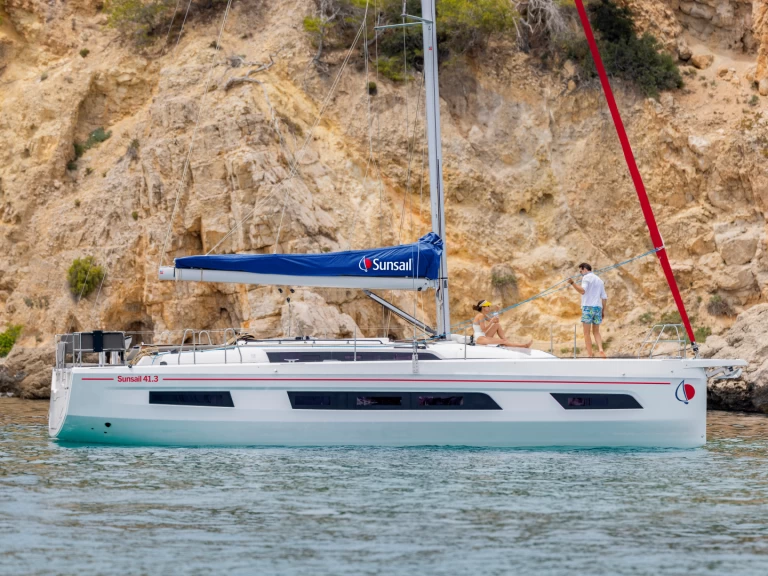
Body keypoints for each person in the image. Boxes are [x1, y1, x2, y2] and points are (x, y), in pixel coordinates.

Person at [568, 263, 608, 358]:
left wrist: (572, 283)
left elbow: (582, 291)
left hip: (588, 307)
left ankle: (590, 355)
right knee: (596, 332)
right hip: (598, 308)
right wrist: (602, 311)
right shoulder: (600, 280)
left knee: (586, 333)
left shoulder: (586, 278)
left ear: (585, 269)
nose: (581, 273)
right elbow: (604, 297)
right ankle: (600, 349)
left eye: (581, 271)